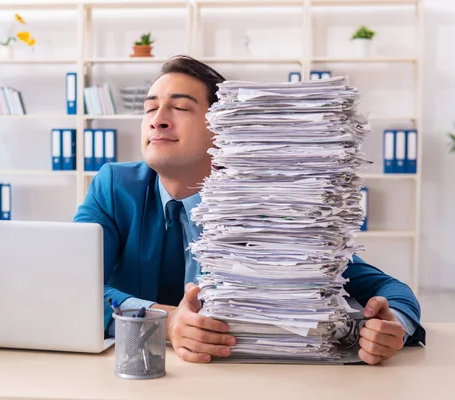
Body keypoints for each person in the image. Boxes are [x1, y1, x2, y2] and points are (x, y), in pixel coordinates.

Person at [74, 55, 425, 365]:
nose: (158, 120)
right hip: (140, 374)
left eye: (180, 108)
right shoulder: (115, 187)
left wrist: (392, 323)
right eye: (150, 108)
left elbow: (387, 288)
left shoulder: (265, 202)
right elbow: (74, 284)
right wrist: (165, 321)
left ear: (224, 127)